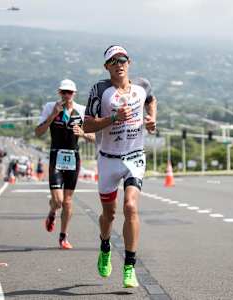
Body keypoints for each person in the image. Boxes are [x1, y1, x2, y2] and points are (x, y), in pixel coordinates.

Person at [83, 45, 157, 288]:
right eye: (113, 61)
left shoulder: (141, 86)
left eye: (122, 59)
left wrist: (152, 118)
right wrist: (114, 118)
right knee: (109, 214)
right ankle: (104, 245)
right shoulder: (100, 89)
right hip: (108, 159)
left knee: (130, 207)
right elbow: (87, 126)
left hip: (134, 156)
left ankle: (129, 266)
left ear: (129, 62)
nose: (119, 64)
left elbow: (152, 99)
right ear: (107, 67)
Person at [35, 79, 95, 249]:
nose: (66, 95)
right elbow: (38, 132)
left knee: (68, 201)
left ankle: (63, 236)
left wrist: (83, 133)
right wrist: (53, 115)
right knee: (58, 200)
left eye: (69, 92)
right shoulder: (50, 107)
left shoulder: (82, 111)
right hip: (56, 157)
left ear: (74, 94)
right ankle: (52, 212)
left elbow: (95, 138)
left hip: (73, 158)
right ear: (59, 92)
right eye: (63, 92)